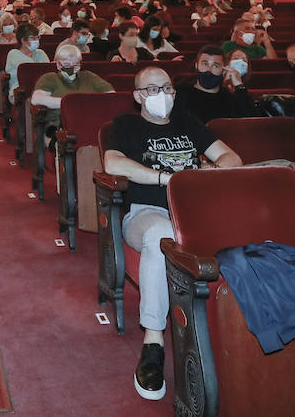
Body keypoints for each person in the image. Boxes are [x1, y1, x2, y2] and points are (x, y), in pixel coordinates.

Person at [102, 66, 242, 401]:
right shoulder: (125, 125)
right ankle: (153, 342)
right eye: (151, 89)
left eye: (166, 88)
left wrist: (209, 172)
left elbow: (231, 157)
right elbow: (113, 164)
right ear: (137, 96)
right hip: (147, 214)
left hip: (195, 213)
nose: (161, 95)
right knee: (162, 233)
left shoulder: (188, 124)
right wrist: (166, 178)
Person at [176, 47, 253, 124]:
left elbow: (249, 120)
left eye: (215, 66)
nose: (208, 70)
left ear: (224, 69)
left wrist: (239, 85)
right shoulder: (179, 92)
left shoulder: (229, 98)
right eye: (205, 64)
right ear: (196, 66)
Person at [4, 24, 49, 107]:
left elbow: (48, 71)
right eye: (32, 38)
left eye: (37, 37)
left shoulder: (40, 53)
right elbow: (30, 69)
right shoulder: (13, 54)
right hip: (21, 90)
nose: (36, 40)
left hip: (42, 88)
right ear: (23, 40)